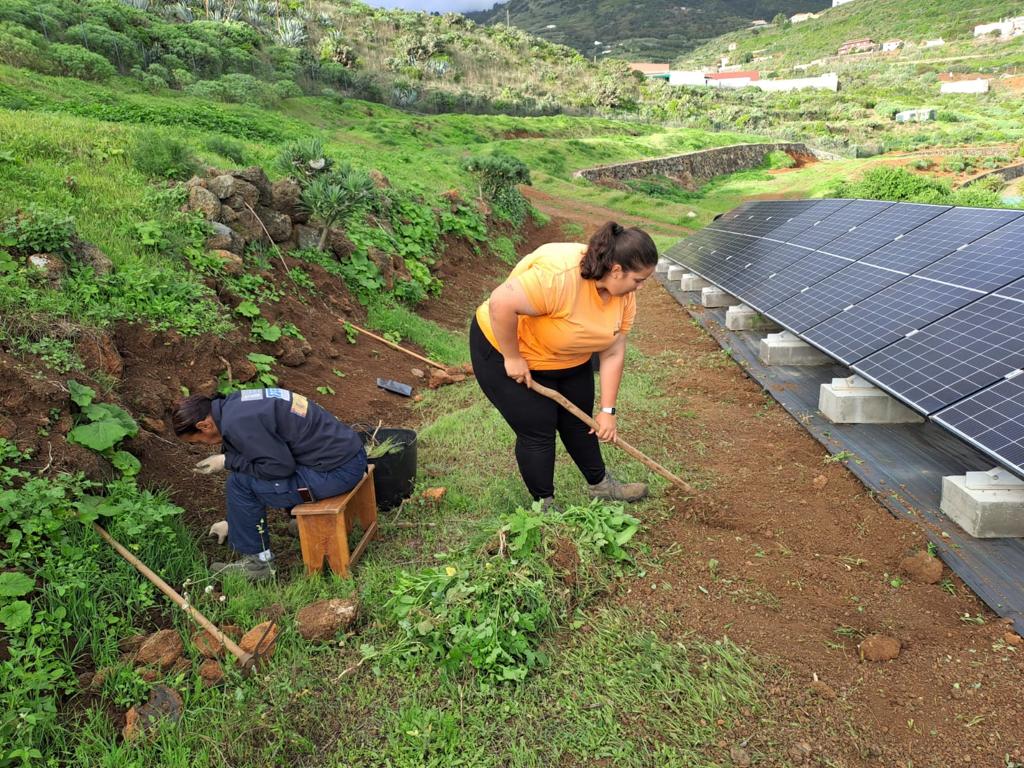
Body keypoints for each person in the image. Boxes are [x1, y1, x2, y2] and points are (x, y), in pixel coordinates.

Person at [471, 221, 657, 509]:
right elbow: (500, 303)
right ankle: (544, 503)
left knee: (580, 420)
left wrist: (608, 411)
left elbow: (612, 351)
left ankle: (601, 486)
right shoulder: (560, 276)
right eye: (639, 280)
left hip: (568, 355)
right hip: (505, 347)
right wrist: (512, 357)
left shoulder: (624, 296)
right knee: (538, 426)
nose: (641, 287)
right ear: (617, 270)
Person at [171, 388, 367, 581]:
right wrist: (236, 523)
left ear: (204, 425)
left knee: (240, 484)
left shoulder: (238, 423)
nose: (204, 445)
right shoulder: (234, 406)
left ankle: (258, 564)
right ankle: (301, 526)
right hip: (346, 456)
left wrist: (226, 461)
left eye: (197, 441)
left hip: (337, 472)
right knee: (248, 474)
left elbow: (280, 468)